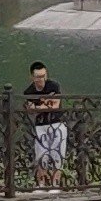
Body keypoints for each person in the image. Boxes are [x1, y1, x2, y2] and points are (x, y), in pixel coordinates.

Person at [23, 61, 70, 189]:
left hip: (56, 123)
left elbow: (55, 105)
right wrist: (45, 104)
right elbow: (31, 109)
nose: (42, 80)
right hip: (40, 125)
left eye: (44, 76)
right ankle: (41, 185)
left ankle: (55, 185)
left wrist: (39, 106)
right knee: (41, 156)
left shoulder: (53, 86)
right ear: (32, 77)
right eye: (38, 77)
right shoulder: (29, 91)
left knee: (57, 155)